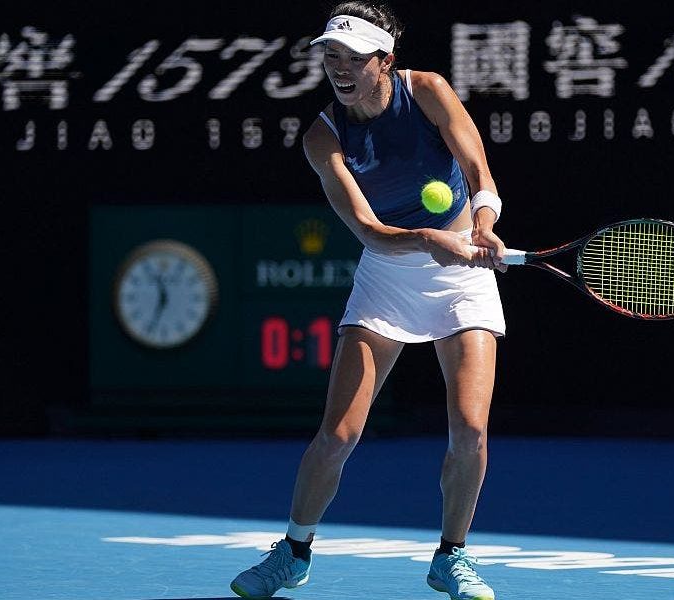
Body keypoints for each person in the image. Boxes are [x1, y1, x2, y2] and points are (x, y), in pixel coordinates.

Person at [231, 3, 507, 599]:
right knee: (338, 436)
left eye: (353, 58)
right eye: (331, 56)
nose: (339, 68)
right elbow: (365, 229)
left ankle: (452, 558)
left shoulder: (428, 91)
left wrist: (481, 225)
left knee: (471, 430)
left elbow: (478, 170)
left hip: (463, 275)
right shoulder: (322, 135)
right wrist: (428, 240)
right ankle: (294, 551)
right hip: (388, 274)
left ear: (385, 61)